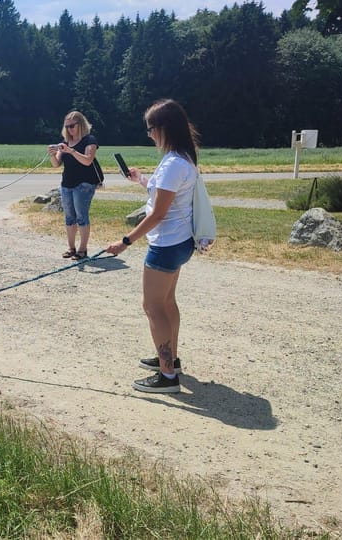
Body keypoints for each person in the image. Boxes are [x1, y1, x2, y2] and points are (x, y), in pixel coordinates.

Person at [106, 98, 200, 394]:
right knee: (167, 303)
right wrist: (141, 180)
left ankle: (167, 376)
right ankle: (169, 358)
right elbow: (165, 195)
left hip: (166, 245)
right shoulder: (183, 157)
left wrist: (125, 242)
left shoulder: (173, 163)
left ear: (164, 128)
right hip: (180, 242)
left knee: (152, 306)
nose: (149, 135)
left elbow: (159, 213)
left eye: (150, 129)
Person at [48, 111, 100, 260]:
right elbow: (56, 164)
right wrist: (53, 153)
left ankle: (82, 250)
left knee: (82, 217)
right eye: (67, 126)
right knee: (69, 217)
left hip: (84, 184)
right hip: (66, 184)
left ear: (80, 125)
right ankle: (71, 248)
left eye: (72, 126)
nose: (69, 129)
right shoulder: (64, 143)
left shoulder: (90, 140)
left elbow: (87, 160)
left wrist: (71, 151)